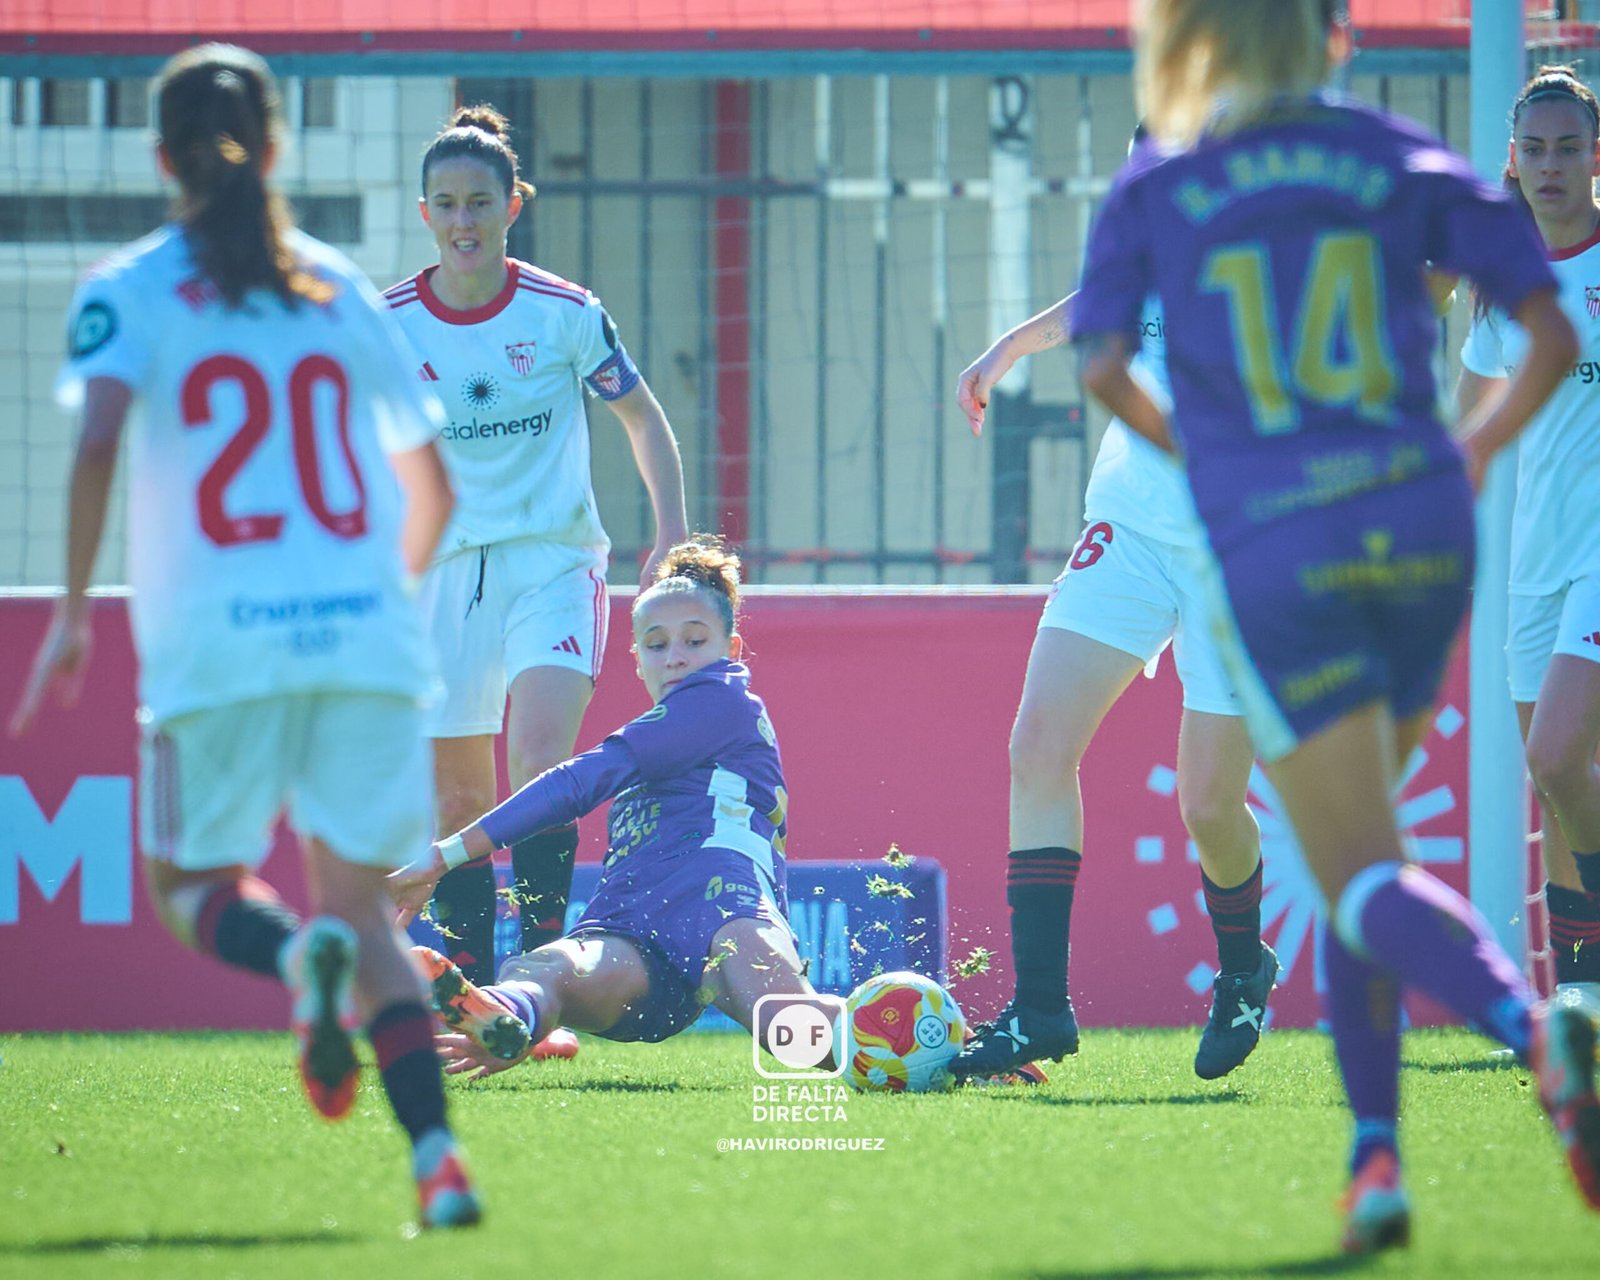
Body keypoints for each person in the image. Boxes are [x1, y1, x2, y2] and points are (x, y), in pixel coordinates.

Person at [1071, 0, 1599, 1254]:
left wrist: (1200, 456)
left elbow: (1098, 363)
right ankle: (1375, 1158)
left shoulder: (1161, 177)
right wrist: (1465, 457)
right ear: (1337, 44)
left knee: (1355, 865)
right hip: (1418, 528)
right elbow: (1549, 330)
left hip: (1282, 537)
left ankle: (1537, 1033)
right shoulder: (1401, 157)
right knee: (1360, 842)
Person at [7, 45, 481, 1228]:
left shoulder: (130, 283)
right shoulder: (335, 284)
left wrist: (71, 612)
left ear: (161, 159)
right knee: (363, 910)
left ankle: (291, 964)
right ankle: (438, 1165)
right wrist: (371, 604)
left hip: (216, 645)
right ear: (275, 151)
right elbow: (432, 488)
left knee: (188, 885)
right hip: (363, 643)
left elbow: (100, 442)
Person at [384, 105, 690, 1013]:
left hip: (555, 561)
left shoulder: (564, 313)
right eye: (446, 204)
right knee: (459, 802)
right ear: (426, 214)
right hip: (442, 573)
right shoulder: (388, 322)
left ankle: (542, 975)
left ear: (513, 204)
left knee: (542, 755)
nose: (464, 221)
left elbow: (641, 414)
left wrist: (669, 527)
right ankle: (481, 994)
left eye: (481, 201)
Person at [953, 281, 1273, 1084]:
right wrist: (1004, 352)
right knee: (1037, 748)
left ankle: (1242, 972)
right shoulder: (1144, 242)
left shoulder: (1283, 249)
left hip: (1235, 551)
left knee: (1207, 804)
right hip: (1126, 534)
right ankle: (1039, 1010)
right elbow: (1091, 303)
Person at [388, 537, 821, 1071]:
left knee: (797, 1033)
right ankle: (507, 1018)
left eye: (695, 639)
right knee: (543, 969)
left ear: (730, 651)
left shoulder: (724, 698)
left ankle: (928, 1037)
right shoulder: (666, 731)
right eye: (657, 644)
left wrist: (444, 855)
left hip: (724, 913)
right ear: (636, 661)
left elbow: (577, 782)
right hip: (630, 934)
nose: (677, 656)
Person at [1459, 66, 1600, 1011]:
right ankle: (1578, 1010)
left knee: (1556, 758)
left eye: (1570, 147)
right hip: (1531, 566)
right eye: (1536, 150)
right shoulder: (1499, 286)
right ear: (1514, 161)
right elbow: (1466, 433)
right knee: (1556, 788)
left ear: (1596, 157)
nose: (1551, 166)